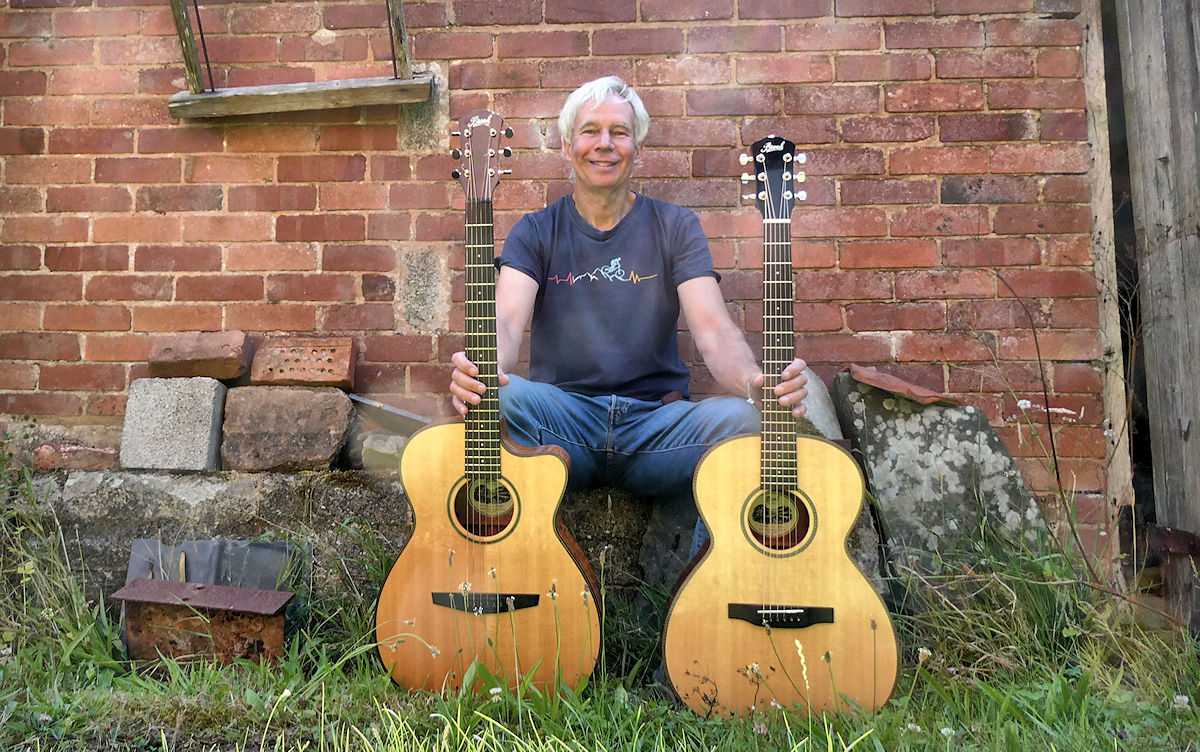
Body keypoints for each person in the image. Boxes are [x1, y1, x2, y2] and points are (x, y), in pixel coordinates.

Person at [448, 75, 809, 597]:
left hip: (657, 428)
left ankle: (705, 599)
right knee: (502, 401)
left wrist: (756, 382)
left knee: (744, 420)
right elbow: (505, 321)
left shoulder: (675, 226)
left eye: (619, 132)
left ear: (636, 147)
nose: (604, 144)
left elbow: (713, 330)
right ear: (568, 144)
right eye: (590, 130)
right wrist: (479, 373)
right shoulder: (535, 230)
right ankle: (522, 584)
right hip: (564, 424)